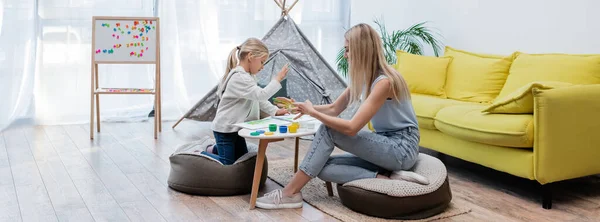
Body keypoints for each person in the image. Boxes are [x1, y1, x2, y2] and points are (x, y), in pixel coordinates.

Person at [255, 23, 427, 209]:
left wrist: (313, 112)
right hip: (385, 145)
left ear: (361, 50)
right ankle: (384, 177)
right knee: (320, 165)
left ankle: (289, 193)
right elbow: (335, 108)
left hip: (401, 148)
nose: (345, 55)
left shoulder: (384, 82)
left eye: (347, 50)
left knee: (328, 130)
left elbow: (352, 128)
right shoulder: (364, 78)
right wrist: (301, 108)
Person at [203, 38, 290, 165]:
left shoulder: (248, 76)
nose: (262, 67)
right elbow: (261, 95)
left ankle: (214, 149)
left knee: (243, 158)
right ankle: (201, 154)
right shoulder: (240, 77)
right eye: (261, 62)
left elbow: (258, 100)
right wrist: (277, 79)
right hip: (225, 130)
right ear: (250, 57)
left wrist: (275, 111)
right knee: (227, 164)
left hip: (236, 129)